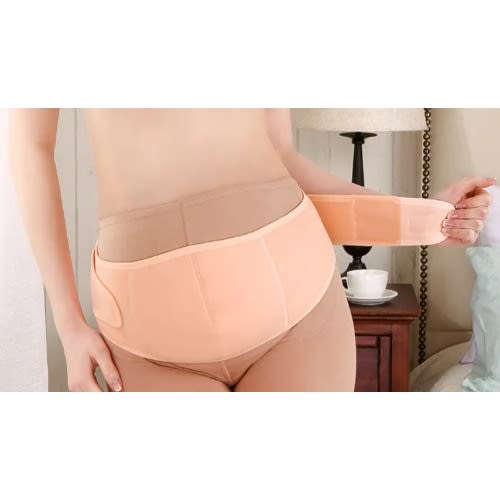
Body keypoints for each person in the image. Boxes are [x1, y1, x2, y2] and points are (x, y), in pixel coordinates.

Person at [7, 108, 494, 392]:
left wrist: (424, 218)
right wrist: (68, 324)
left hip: (294, 309)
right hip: (148, 331)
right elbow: (29, 148)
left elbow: (281, 157)